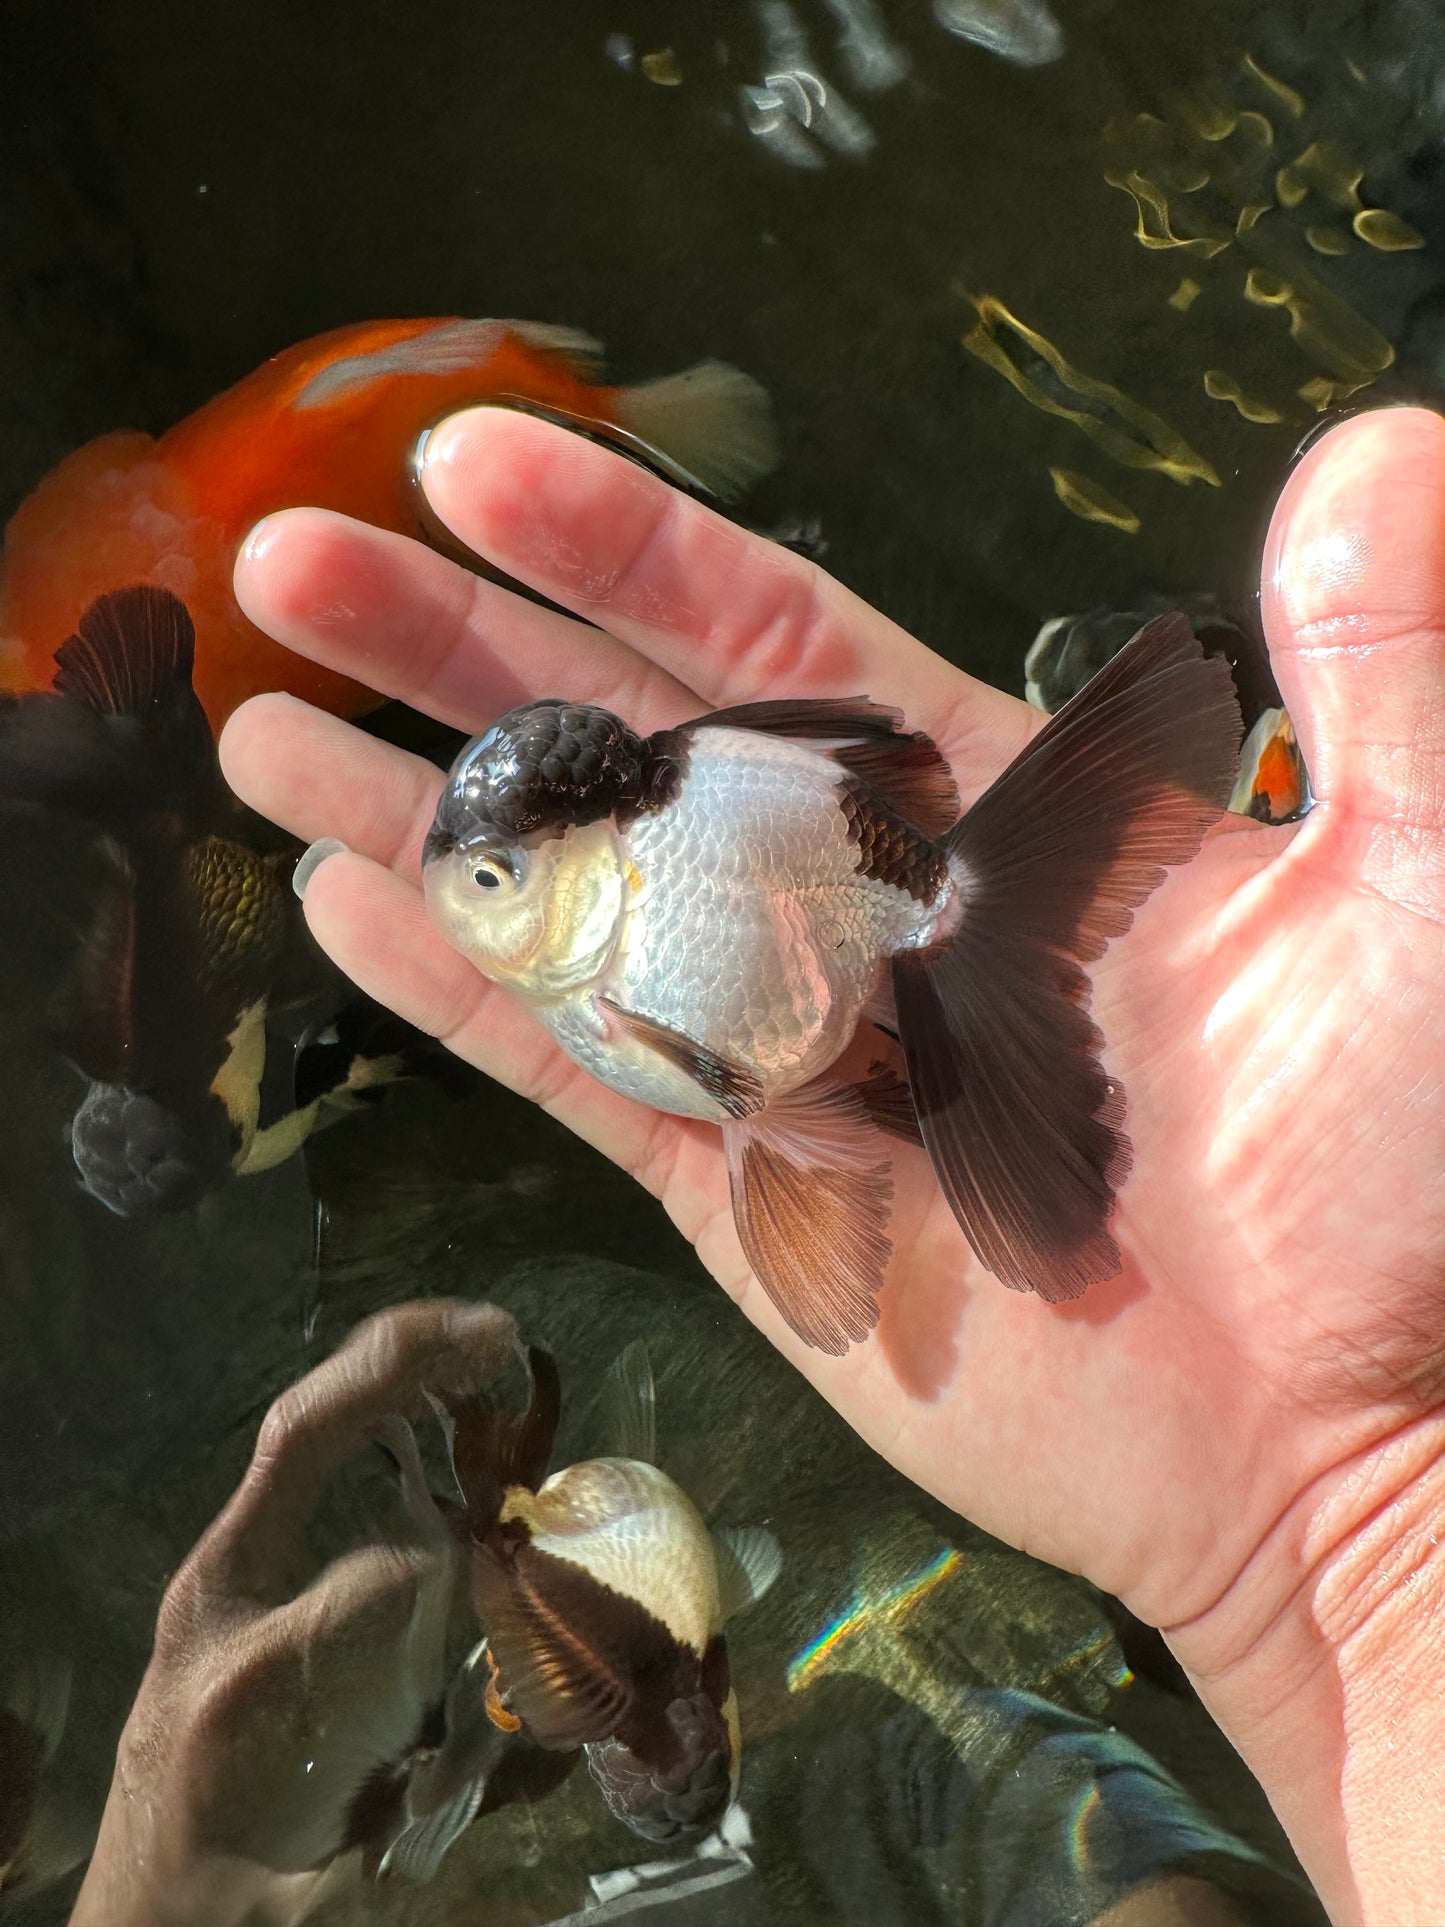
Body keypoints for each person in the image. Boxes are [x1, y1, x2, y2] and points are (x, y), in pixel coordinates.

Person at [218, 402, 1445, 1927]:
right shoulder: (629, 919)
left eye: (485, 882)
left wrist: (1368, 1513)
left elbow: (762, 1070)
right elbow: (761, 1096)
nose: (465, 904)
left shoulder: (642, 921)